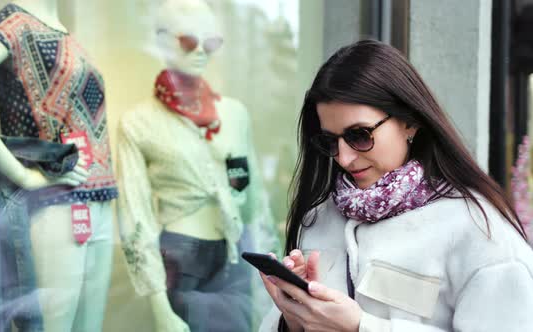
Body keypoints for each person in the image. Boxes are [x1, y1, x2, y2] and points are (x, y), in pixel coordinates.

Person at [258, 40, 533, 332]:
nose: (344, 157)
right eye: (330, 141)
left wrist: (360, 327)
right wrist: (294, 318)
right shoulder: (321, 218)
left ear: (409, 122)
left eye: (360, 135)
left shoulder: (479, 230)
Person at [116, 0, 278, 331]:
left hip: (235, 256)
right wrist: (160, 308)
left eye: (212, 43)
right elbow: (136, 221)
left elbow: (255, 204)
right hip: (179, 260)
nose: (202, 51)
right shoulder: (138, 123)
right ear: (162, 40)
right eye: (190, 41)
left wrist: (270, 282)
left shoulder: (234, 114)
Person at [0, 1, 118, 330]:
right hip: (56, 203)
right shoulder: (15, 23)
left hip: (99, 204)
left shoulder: (62, 30)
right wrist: (21, 175)